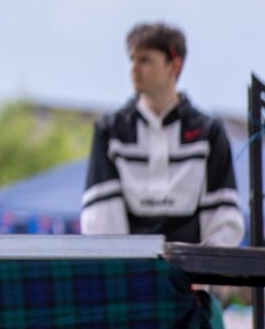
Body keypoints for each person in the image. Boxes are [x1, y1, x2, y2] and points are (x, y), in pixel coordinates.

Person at [81, 22, 244, 245]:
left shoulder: (209, 133)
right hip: (132, 274)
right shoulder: (110, 132)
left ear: (174, 66)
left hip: (194, 275)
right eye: (132, 59)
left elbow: (223, 218)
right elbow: (101, 219)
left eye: (145, 60)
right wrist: (130, 271)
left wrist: (204, 275)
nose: (134, 68)